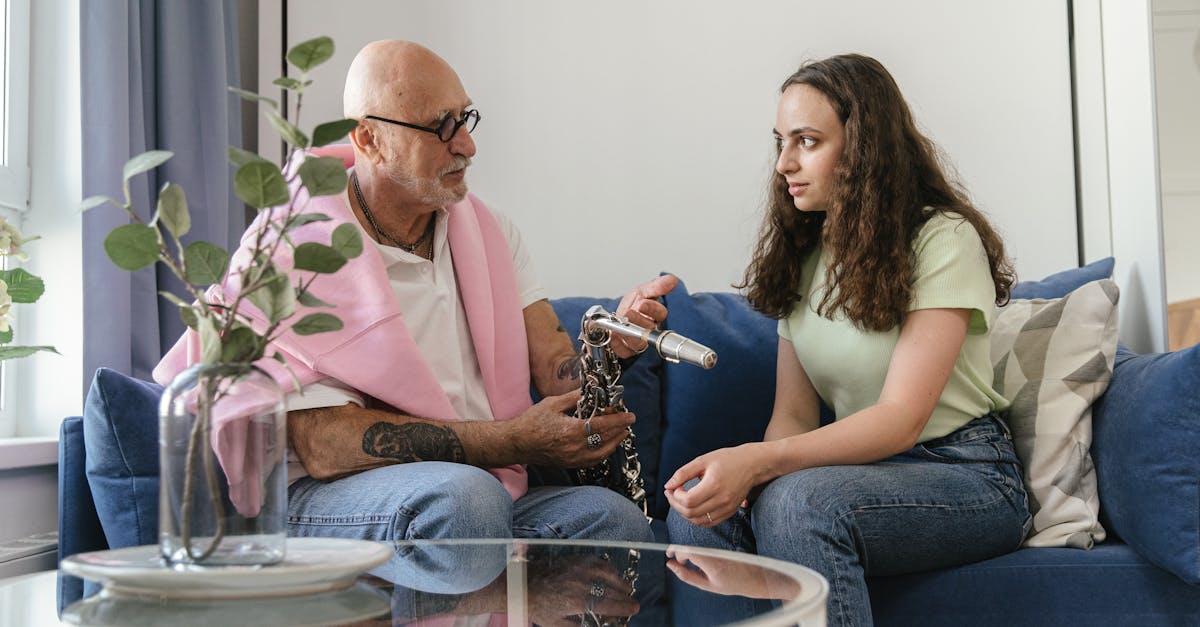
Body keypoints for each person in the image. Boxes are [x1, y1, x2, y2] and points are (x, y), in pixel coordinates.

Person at [156, 40, 671, 546]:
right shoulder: (297, 249)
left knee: (612, 520)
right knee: (465, 501)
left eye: (465, 119)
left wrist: (609, 347)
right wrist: (513, 441)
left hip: (480, 486)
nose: (467, 145)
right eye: (441, 126)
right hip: (328, 493)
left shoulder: (491, 232)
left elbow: (555, 369)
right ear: (369, 139)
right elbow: (325, 445)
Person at [663, 54, 1032, 626]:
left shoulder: (943, 238)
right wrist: (747, 481)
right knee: (699, 513)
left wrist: (758, 464)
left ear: (864, 147)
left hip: (965, 471)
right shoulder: (802, 254)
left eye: (807, 141)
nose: (784, 163)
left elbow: (900, 419)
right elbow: (792, 416)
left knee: (799, 504)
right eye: (781, 142)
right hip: (854, 472)